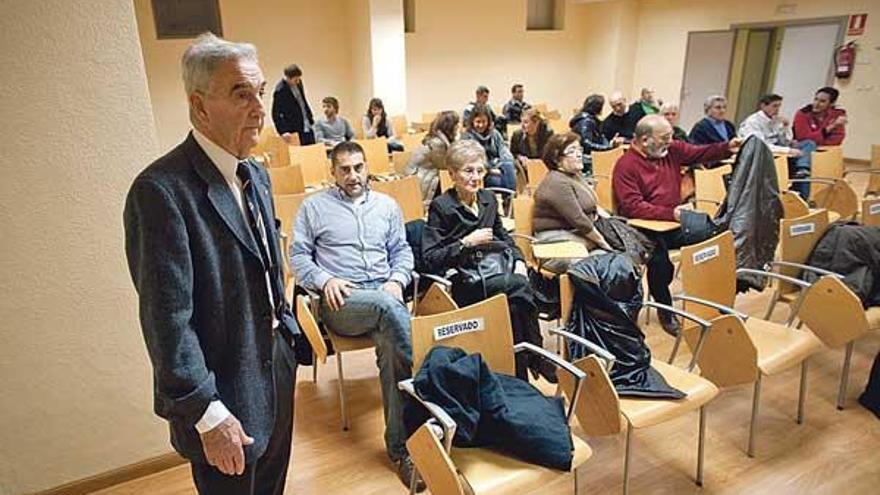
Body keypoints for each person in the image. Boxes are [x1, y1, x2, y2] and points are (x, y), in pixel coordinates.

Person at [124, 33, 299, 495]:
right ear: (200, 107)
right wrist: (206, 411)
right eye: (241, 93)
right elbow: (167, 325)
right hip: (222, 393)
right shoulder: (161, 192)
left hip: (275, 367)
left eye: (260, 91)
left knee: (272, 486)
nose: (260, 107)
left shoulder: (254, 173)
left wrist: (289, 335)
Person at [290, 141, 423, 491]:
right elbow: (299, 258)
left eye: (359, 168)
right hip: (344, 301)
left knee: (394, 352)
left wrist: (397, 280)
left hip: (385, 295)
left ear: (367, 168)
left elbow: (402, 252)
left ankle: (402, 450)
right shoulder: (314, 207)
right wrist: (325, 279)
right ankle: (430, 398)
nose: (353, 176)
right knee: (390, 312)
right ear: (332, 172)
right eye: (345, 169)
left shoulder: (387, 206)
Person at [421, 139, 555, 382]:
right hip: (465, 283)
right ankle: (538, 353)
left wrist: (518, 261)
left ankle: (519, 378)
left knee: (515, 307)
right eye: (468, 171)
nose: (476, 177)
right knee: (520, 287)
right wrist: (465, 243)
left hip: (497, 275)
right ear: (452, 174)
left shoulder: (488, 200)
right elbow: (430, 259)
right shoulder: (442, 207)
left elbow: (505, 239)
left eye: (480, 170)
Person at [613, 115, 741, 334]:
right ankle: (666, 311)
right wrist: (671, 213)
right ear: (645, 140)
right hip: (641, 228)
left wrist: (727, 147)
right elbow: (633, 207)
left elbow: (699, 153)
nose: (670, 142)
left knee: (716, 239)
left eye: (670, 136)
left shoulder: (671, 150)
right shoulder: (626, 166)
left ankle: (713, 300)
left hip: (672, 221)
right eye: (664, 138)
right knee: (660, 262)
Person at [532, 133, 613, 273]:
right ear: (557, 160)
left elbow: (593, 205)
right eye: (572, 151)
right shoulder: (556, 182)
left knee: (611, 259)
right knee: (601, 263)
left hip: (577, 236)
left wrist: (612, 223)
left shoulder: (575, 175)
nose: (578, 154)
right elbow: (579, 220)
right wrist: (604, 243)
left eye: (579, 150)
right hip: (555, 243)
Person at [739, 93, 817, 199]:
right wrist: (788, 150)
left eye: (779, 106)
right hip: (764, 152)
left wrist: (785, 127)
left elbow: (785, 141)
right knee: (797, 165)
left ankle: (802, 170)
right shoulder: (753, 122)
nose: (777, 109)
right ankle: (801, 172)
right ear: (763, 106)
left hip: (778, 147)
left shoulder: (775, 119)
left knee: (809, 144)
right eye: (774, 106)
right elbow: (761, 145)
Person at [405, 110, 460, 207]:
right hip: (422, 182)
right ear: (450, 127)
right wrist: (457, 140)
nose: (458, 127)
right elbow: (446, 165)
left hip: (426, 176)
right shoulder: (437, 143)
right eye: (456, 124)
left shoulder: (438, 138)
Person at [462, 103, 517, 192]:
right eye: (478, 122)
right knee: (502, 183)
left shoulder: (495, 134)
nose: (481, 125)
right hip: (482, 173)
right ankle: (510, 198)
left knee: (508, 165)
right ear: (472, 121)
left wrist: (501, 164)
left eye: (484, 121)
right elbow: (474, 159)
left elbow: (504, 150)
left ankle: (510, 198)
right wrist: (492, 169)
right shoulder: (467, 137)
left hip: (498, 167)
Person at [570, 94, 625, 174]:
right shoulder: (586, 121)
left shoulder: (589, 119)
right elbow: (586, 143)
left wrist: (609, 144)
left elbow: (599, 138)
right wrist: (607, 148)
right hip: (587, 159)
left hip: (589, 156)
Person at [271, 63, 315, 145]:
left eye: (299, 79)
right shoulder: (280, 90)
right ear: (288, 78)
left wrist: (310, 118)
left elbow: (303, 101)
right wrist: (283, 131)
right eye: (295, 80)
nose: (298, 82)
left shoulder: (299, 83)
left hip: (307, 124)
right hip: (294, 127)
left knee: (312, 150)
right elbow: (275, 113)